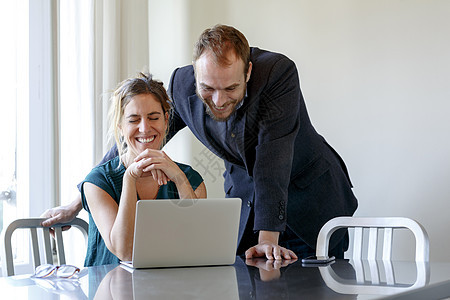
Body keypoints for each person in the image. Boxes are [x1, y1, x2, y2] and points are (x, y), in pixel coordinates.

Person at [42, 24, 357, 261]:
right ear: (195, 75)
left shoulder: (277, 74)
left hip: (309, 199)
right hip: (248, 203)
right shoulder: (182, 86)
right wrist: (79, 199)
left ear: (247, 71)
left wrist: (269, 238)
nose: (218, 101)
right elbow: (140, 136)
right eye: (208, 89)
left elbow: (273, 159)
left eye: (230, 88)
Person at [79, 73, 206, 266]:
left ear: (166, 120)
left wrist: (179, 178)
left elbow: (199, 245)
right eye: (133, 120)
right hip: (110, 289)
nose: (145, 128)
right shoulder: (97, 182)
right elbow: (125, 251)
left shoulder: (190, 178)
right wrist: (130, 177)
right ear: (120, 126)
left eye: (153, 118)